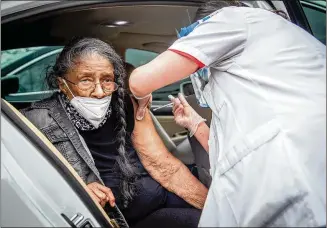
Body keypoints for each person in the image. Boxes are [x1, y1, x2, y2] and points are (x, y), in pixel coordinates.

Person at [129, 0, 326, 227]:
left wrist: (137, 93)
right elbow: (228, 150)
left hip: (293, 167)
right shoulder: (261, 61)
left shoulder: (232, 18)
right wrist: (195, 125)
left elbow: (139, 82)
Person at [21, 37, 208, 227]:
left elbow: (162, 165)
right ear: (62, 84)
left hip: (160, 198)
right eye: (86, 80)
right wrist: (76, 192)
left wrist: (216, 206)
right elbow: (23, 181)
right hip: (123, 219)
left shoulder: (125, 103)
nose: (100, 92)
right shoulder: (37, 120)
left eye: (107, 80)